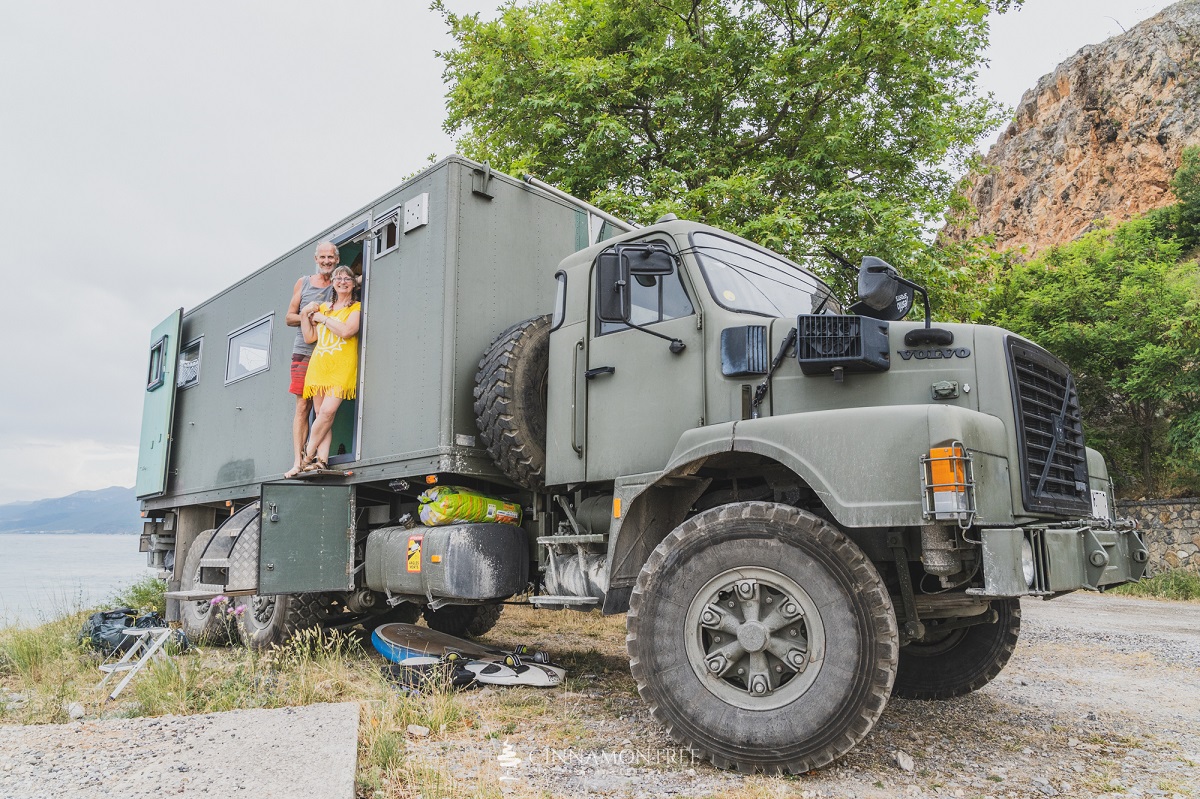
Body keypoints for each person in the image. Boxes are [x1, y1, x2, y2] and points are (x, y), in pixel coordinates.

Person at [298, 265, 362, 472]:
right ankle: (322, 460)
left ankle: (307, 454)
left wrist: (323, 319)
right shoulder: (323, 307)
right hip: (319, 365)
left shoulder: (356, 308)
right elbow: (310, 338)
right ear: (333, 283)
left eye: (347, 279)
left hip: (341, 366)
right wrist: (304, 315)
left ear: (353, 284)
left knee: (327, 412)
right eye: (338, 278)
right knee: (321, 415)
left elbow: (347, 331)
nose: (342, 282)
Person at [284, 242, 338, 478]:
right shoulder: (303, 282)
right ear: (316, 259)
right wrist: (309, 314)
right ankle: (298, 461)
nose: (326, 261)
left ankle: (317, 458)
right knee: (303, 406)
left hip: (328, 352)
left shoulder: (339, 284)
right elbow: (288, 317)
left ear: (336, 260)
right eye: (322, 257)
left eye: (331, 257)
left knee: (323, 409)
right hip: (304, 351)